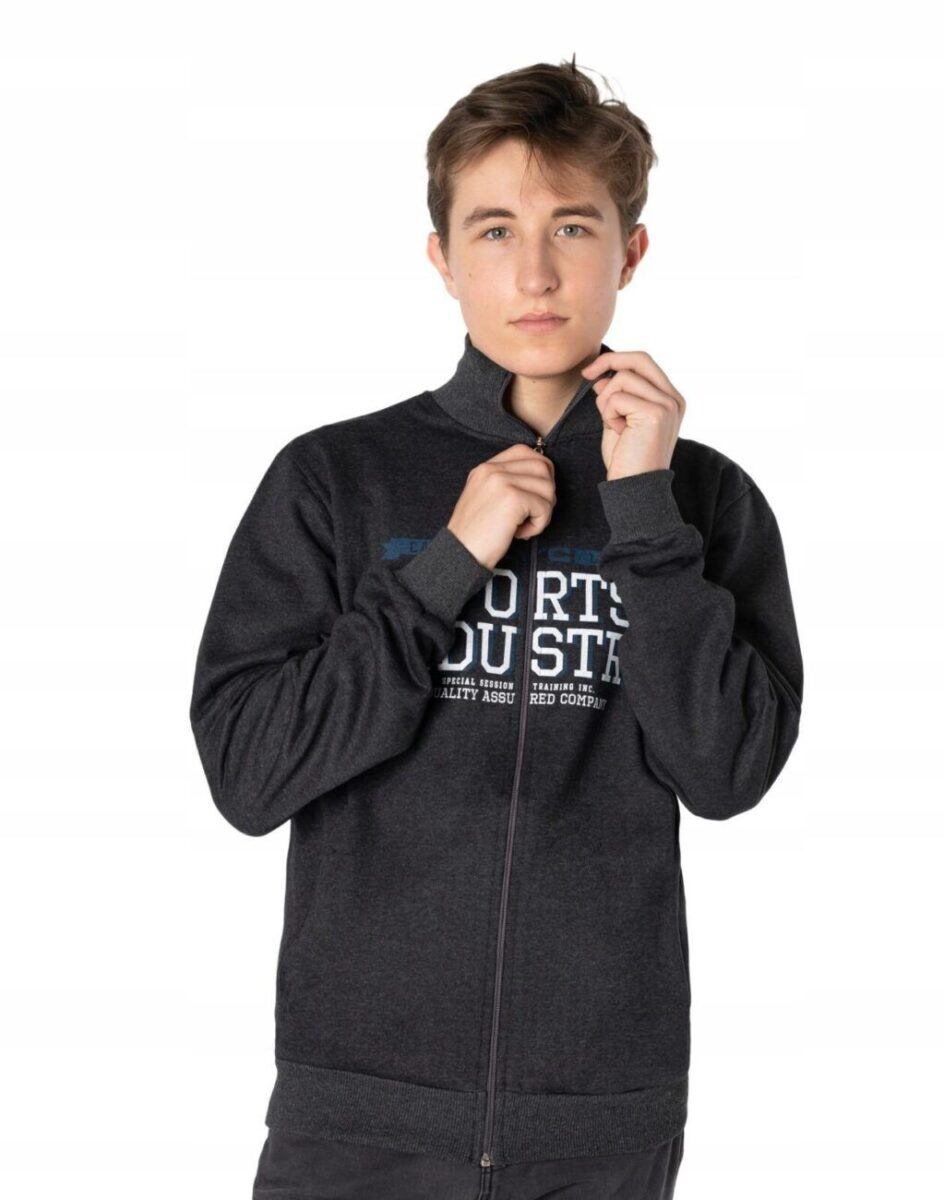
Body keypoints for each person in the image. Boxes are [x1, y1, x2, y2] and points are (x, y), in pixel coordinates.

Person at [189, 56, 803, 1200]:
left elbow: (724, 772)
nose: (533, 272)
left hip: (599, 1123)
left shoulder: (703, 502)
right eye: (492, 231)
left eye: (571, 227)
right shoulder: (334, 480)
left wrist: (641, 508)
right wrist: (445, 565)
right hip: (358, 1117)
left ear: (629, 251)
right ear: (441, 257)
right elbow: (249, 775)